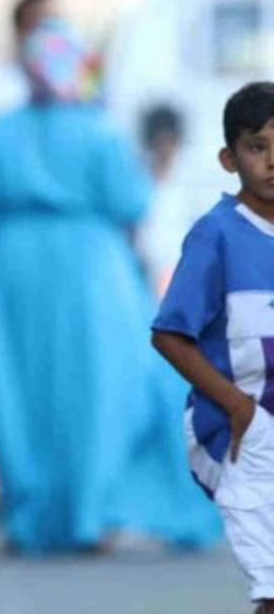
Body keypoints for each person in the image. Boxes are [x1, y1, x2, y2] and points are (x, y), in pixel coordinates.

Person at [0, 17, 220, 554]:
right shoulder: (101, 132)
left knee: (21, 392)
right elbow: (131, 203)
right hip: (94, 268)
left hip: (14, 268)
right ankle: (93, 515)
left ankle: (29, 519)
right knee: (103, 392)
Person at [152, 82, 274, 614]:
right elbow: (169, 334)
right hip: (241, 431)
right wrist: (235, 405)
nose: (272, 161)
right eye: (257, 147)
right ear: (230, 159)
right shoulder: (217, 234)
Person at [136, 103, 193, 296]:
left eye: (170, 142)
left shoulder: (191, 181)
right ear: (151, 143)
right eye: (160, 142)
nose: (165, 149)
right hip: (143, 268)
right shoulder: (139, 180)